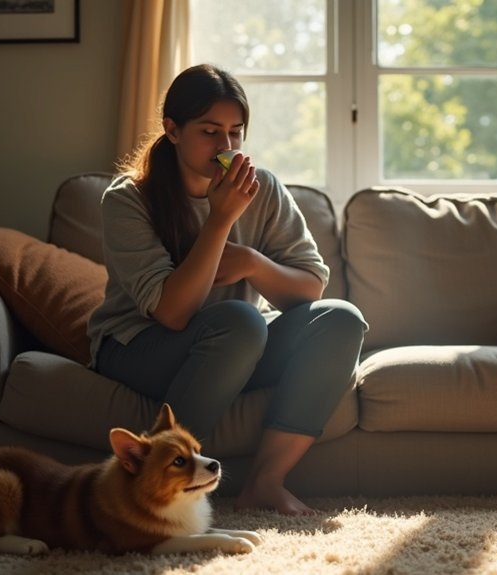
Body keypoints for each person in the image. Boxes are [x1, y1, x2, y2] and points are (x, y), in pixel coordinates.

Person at [87, 63, 367, 515]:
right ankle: (160, 496)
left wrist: (252, 264)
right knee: (241, 321)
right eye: (210, 132)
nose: (227, 147)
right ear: (173, 131)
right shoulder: (127, 199)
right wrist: (220, 220)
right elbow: (172, 314)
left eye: (236, 132)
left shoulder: (263, 188)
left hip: (238, 346)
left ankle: (266, 483)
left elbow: (309, 288)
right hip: (138, 346)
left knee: (340, 319)